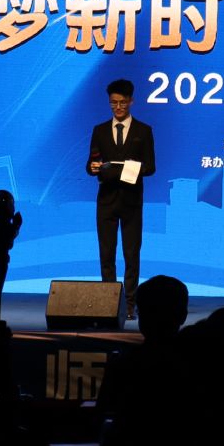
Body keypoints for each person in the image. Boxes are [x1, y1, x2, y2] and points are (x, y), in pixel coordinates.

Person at [88, 78, 155, 320]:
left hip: (131, 201)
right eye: (113, 103)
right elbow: (91, 162)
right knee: (106, 254)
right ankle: (109, 302)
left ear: (131, 102)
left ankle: (130, 304)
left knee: (131, 254)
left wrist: (128, 170)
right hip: (106, 201)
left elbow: (151, 167)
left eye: (122, 103)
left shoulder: (143, 131)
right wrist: (93, 167)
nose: (118, 107)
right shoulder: (100, 130)